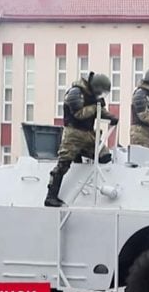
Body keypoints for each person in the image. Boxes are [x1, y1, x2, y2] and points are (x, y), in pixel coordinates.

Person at [44, 72, 118, 207]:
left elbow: (101, 111)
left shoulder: (96, 98)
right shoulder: (75, 93)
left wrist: (111, 117)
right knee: (63, 164)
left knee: (104, 156)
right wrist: (95, 107)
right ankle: (51, 196)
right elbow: (79, 114)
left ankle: (94, 188)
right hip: (74, 134)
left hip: (89, 134)